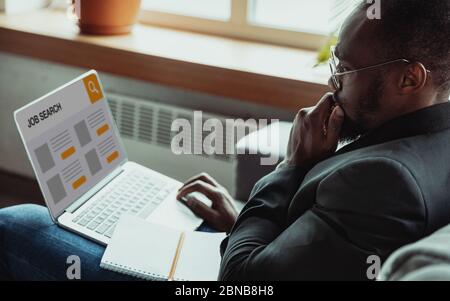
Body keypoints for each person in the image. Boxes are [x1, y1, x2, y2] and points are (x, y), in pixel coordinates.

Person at [0, 0, 449, 280]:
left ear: (410, 78)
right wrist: (239, 223)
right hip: (250, 248)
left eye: (346, 69)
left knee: (17, 223)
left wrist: (292, 165)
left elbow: (243, 278)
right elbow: (317, 256)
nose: (332, 83)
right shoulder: (428, 138)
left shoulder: (387, 180)